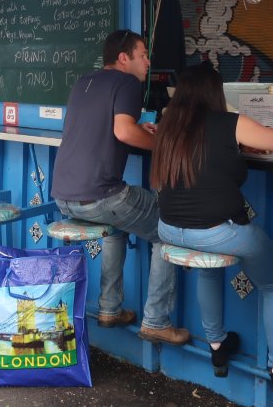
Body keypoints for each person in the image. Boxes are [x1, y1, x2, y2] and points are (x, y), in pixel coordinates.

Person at [151, 63, 273, 395]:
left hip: (170, 230)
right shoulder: (228, 123)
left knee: (209, 269)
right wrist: (244, 141)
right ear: (215, 93)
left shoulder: (167, 127)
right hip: (216, 231)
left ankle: (217, 348)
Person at [51, 29, 188, 345]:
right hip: (99, 196)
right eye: (142, 54)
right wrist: (163, 144)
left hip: (64, 196)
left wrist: (139, 129)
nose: (148, 61)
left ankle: (110, 308)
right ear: (124, 58)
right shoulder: (128, 82)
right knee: (167, 226)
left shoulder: (85, 81)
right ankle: (156, 321)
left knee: (116, 225)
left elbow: (109, 127)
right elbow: (124, 132)